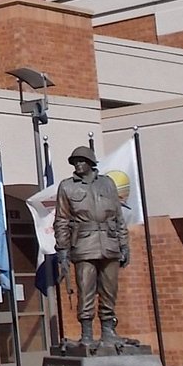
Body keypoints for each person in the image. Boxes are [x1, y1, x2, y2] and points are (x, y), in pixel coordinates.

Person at [54, 146, 131, 347]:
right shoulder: (67, 186)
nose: (78, 165)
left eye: (81, 161)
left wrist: (124, 244)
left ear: (90, 162)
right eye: (75, 162)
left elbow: (118, 217)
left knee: (109, 289)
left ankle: (108, 330)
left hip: (109, 242)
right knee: (85, 290)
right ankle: (86, 333)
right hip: (83, 245)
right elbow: (62, 220)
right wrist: (62, 249)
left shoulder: (107, 184)